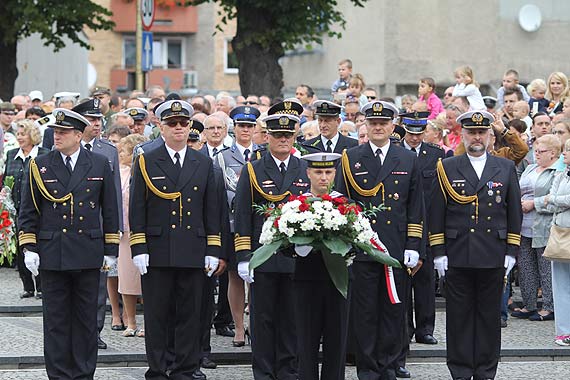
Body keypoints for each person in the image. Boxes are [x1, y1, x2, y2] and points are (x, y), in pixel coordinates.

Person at [18, 108, 120, 379]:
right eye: (55, 131)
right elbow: (28, 212)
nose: (56, 135)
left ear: (78, 135)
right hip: (54, 253)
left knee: (86, 321)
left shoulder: (98, 163)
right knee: (56, 322)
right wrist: (29, 248)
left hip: (88, 252)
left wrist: (111, 250)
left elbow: (110, 210)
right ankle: (60, 374)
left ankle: (84, 373)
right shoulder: (40, 165)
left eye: (63, 132)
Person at [129, 99, 223, 380]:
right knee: (157, 316)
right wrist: (139, 246)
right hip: (157, 249)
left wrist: (213, 248)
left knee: (189, 315)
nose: (179, 128)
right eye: (172, 124)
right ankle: (157, 369)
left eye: (184, 123)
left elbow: (212, 209)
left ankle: (185, 368)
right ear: (161, 127)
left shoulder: (203, 162)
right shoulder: (146, 159)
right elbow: (137, 207)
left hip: (193, 248)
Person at [430, 110, 522, 380]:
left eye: (482, 132)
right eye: (472, 132)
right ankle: (459, 371)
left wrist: (511, 251)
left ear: (490, 136)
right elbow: (437, 212)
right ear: (463, 135)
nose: (477, 137)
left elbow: (514, 211)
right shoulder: (447, 167)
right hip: (458, 253)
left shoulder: (504, 168)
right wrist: (438, 252)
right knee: (458, 318)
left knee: (489, 318)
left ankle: (485, 371)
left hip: (493, 253)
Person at [335, 101, 423, 380]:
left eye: (383, 123)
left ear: (392, 126)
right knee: (364, 312)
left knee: (393, 310)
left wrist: (414, 246)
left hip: (395, 248)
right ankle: (368, 368)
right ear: (365, 125)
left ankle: (389, 366)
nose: (378, 127)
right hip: (363, 248)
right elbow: (341, 201)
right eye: (372, 123)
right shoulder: (351, 157)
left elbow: (416, 207)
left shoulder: (407, 159)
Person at [234, 113, 310, 380]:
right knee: (263, 320)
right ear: (268, 137)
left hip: (296, 256)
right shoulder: (254, 169)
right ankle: (264, 372)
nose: (283, 141)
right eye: (278, 136)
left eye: (288, 136)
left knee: (292, 319)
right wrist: (244, 256)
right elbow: (242, 214)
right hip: (263, 256)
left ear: (294, 138)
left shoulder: (304, 168)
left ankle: (288, 370)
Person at [72, 98, 123, 349]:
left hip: (100, 225)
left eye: (99, 120)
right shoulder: (67, 147)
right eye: (91, 120)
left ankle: (95, 330)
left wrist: (116, 226)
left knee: (99, 283)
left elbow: (113, 194)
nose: (97, 124)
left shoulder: (108, 150)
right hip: (72, 227)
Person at [294, 152, 349, 380]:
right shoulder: (297, 205)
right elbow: (285, 244)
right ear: (308, 173)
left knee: (336, 342)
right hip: (306, 279)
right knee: (305, 342)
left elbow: (358, 238)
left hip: (338, 281)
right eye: (318, 172)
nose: (323, 178)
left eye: (328, 172)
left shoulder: (346, 205)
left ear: (334, 173)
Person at [219, 105, 262, 348]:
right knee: (235, 277)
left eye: (249, 126)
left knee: (256, 278)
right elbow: (218, 190)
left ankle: (254, 324)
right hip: (233, 224)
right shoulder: (223, 157)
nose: (245, 130)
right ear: (234, 128)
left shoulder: (262, 154)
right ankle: (237, 327)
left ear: (255, 128)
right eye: (241, 125)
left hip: (258, 225)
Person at [512, 134, 561, 322]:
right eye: (536, 151)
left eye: (541, 151)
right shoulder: (531, 168)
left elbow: (556, 199)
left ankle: (549, 306)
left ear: (553, 153)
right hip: (524, 223)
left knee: (545, 268)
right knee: (525, 266)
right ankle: (529, 304)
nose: (537, 155)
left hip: (545, 226)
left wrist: (535, 203)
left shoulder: (558, 171)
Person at [3, 119, 49, 298]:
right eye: (18, 134)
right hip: (16, 210)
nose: (19, 137)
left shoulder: (44, 155)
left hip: (39, 210)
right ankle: (27, 287)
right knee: (21, 247)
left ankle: (42, 286)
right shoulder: (12, 154)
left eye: (23, 134)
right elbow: (8, 181)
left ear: (33, 135)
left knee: (39, 246)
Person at [116, 134, 147, 338]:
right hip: (125, 232)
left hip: (145, 232)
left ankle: (148, 322)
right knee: (126, 279)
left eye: (123, 152)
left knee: (147, 281)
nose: (119, 155)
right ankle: (131, 322)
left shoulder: (146, 171)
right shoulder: (120, 173)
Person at [542, 139, 570, 346]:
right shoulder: (560, 174)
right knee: (560, 284)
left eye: (568, 150)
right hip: (561, 233)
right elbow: (550, 201)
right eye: (565, 149)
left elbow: (555, 200)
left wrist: (555, 200)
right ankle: (564, 331)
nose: (564, 154)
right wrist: (556, 200)